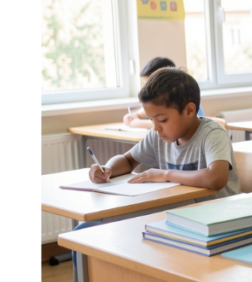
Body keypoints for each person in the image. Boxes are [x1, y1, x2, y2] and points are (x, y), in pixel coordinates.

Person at [89, 67, 240, 201]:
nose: (155, 127)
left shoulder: (212, 134)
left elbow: (216, 178)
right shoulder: (157, 135)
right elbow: (127, 161)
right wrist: (107, 170)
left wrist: (166, 175)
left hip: (218, 217)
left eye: (162, 120)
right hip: (181, 212)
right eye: (150, 119)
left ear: (189, 110)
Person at [123, 57, 205, 128]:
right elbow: (137, 114)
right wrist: (131, 116)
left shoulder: (179, 98)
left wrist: (137, 123)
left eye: (149, 84)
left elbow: (172, 124)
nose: (147, 89)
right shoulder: (158, 103)